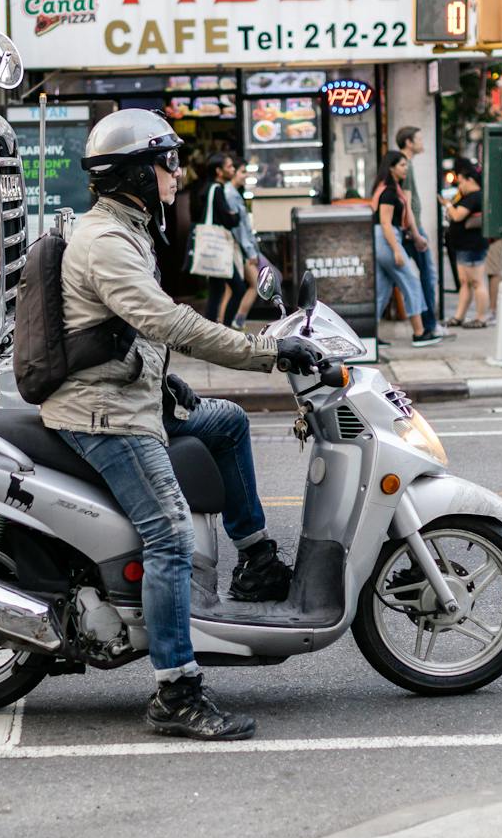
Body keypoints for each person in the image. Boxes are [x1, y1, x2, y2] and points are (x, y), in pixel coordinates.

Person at [46, 110, 327, 741]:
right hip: (105, 416)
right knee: (169, 534)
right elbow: (167, 321)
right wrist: (264, 352)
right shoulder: (109, 243)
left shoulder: (129, 230)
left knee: (224, 422)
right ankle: (174, 689)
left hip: (126, 394)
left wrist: (157, 375)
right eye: (168, 162)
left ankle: (254, 561)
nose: (177, 175)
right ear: (136, 174)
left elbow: (121, 329)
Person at [374, 149, 443, 347]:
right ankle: (419, 333)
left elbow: (404, 217)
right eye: (402, 165)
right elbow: (385, 223)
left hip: (385, 239)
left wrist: (415, 236)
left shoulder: (391, 188)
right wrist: (396, 249)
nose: (406, 168)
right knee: (411, 282)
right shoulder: (388, 191)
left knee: (382, 289)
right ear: (391, 168)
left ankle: (370, 336)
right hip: (387, 239)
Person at [393, 126, 448, 340]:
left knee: (405, 278)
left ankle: (428, 324)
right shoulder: (404, 165)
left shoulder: (406, 164)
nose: (422, 142)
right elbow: (406, 201)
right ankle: (429, 325)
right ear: (408, 142)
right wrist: (415, 232)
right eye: (419, 138)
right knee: (427, 274)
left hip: (408, 227)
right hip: (410, 228)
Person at [198, 152, 258, 328]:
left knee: (217, 291)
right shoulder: (217, 190)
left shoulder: (211, 189)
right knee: (238, 288)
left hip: (216, 247)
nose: (232, 170)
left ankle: (211, 331)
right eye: (229, 167)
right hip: (218, 247)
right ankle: (224, 330)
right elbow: (229, 220)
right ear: (219, 171)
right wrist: (234, 215)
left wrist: (231, 216)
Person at [443, 155, 493, 328]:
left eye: (462, 182)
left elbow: (458, 216)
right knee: (465, 282)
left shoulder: (475, 197)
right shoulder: (467, 196)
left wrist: (448, 205)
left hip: (473, 246)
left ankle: (481, 317)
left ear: (470, 180)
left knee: (477, 282)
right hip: (463, 246)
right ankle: (459, 316)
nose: (460, 185)